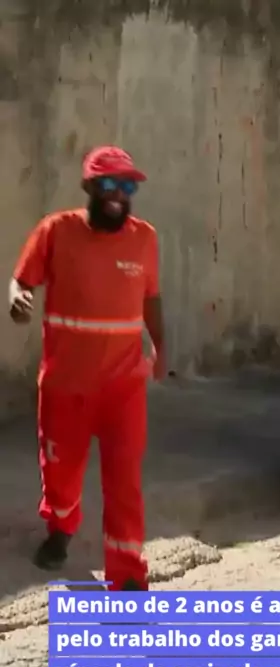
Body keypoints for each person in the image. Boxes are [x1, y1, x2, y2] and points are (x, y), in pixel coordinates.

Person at [8, 145, 165, 592]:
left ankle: (128, 576)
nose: (119, 194)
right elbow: (21, 280)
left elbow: (152, 298)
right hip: (66, 387)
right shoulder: (56, 231)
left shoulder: (144, 238)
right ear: (89, 187)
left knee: (125, 483)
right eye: (109, 184)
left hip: (124, 387)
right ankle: (61, 527)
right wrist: (17, 298)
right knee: (61, 473)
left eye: (127, 185)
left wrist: (162, 347)